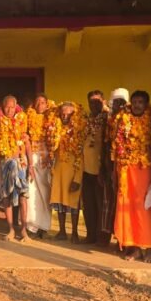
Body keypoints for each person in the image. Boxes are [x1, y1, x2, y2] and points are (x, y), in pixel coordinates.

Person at [112, 90, 151, 262]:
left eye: (141, 102)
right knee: (128, 208)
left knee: (144, 207)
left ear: (146, 104)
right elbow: (117, 146)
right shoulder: (123, 119)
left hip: (144, 168)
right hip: (126, 169)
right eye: (135, 102)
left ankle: (148, 247)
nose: (137, 105)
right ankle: (134, 247)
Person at [0, 94, 31, 241]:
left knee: (23, 195)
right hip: (4, 162)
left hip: (20, 162)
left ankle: (24, 230)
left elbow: (26, 142)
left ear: (16, 107)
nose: (9, 110)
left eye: (12, 107)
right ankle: (11, 230)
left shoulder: (22, 119)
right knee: (6, 196)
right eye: (7, 107)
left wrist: (30, 165)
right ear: (3, 107)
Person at [48, 102, 86, 243]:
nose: (65, 117)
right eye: (62, 114)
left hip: (72, 173)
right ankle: (62, 231)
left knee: (73, 204)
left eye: (68, 114)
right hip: (58, 172)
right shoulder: (55, 129)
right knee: (59, 203)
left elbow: (81, 156)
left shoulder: (78, 131)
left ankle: (74, 233)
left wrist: (77, 178)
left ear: (73, 115)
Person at [99, 89, 129, 247]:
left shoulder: (130, 120)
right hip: (109, 166)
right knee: (108, 202)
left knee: (121, 203)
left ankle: (121, 240)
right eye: (116, 102)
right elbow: (105, 144)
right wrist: (104, 167)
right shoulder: (109, 120)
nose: (119, 105)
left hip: (124, 168)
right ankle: (105, 237)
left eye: (122, 102)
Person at [25, 94, 54, 238]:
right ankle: (32, 226)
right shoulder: (28, 118)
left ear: (47, 104)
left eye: (43, 102)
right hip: (33, 158)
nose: (40, 105)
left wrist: (50, 156)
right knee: (32, 191)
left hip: (47, 159)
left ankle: (44, 226)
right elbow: (26, 140)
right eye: (37, 102)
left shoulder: (52, 118)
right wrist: (30, 163)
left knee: (46, 192)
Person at [81, 90, 106, 244]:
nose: (94, 105)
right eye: (91, 102)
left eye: (98, 102)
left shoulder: (107, 119)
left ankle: (101, 238)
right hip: (86, 169)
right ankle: (90, 235)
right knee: (88, 205)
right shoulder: (86, 120)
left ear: (103, 102)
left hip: (100, 170)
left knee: (101, 204)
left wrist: (104, 169)